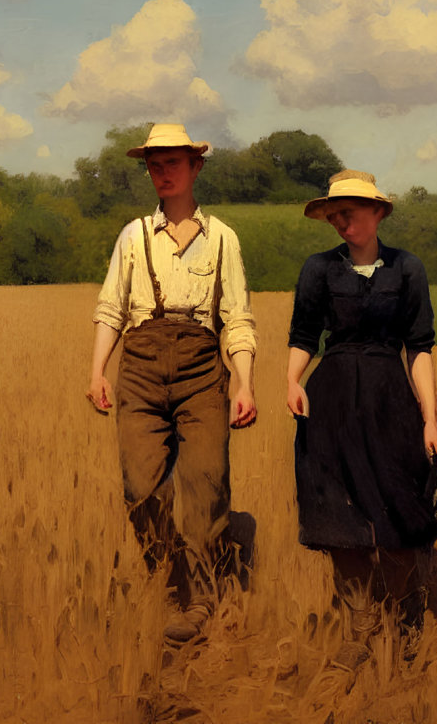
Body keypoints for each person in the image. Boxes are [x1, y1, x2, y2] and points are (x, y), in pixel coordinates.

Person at [87, 123, 257, 645]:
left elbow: (237, 316)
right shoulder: (133, 235)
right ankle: (169, 578)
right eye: (154, 166)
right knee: (140, 490)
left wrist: (245, 383)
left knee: (205, 484)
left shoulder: (223, 238)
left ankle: (200, 597)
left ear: (196, 167)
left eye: (173, 164)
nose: (163, 174)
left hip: (202, 367)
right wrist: (97, 369)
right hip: (138, 366)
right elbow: (112, 306)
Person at [286, 170, 437, 665]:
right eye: (334, 213)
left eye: (349, 210)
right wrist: (291, 380)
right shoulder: (318, 270)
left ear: (378, 213)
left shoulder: (408, 269)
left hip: (390, 403)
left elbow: (419, 348)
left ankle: (406, 613)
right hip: (330, 403)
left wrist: (431, 418)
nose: (340, 220)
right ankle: (361, 622)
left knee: (398, 509)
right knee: (337, 516)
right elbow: (303, 336)